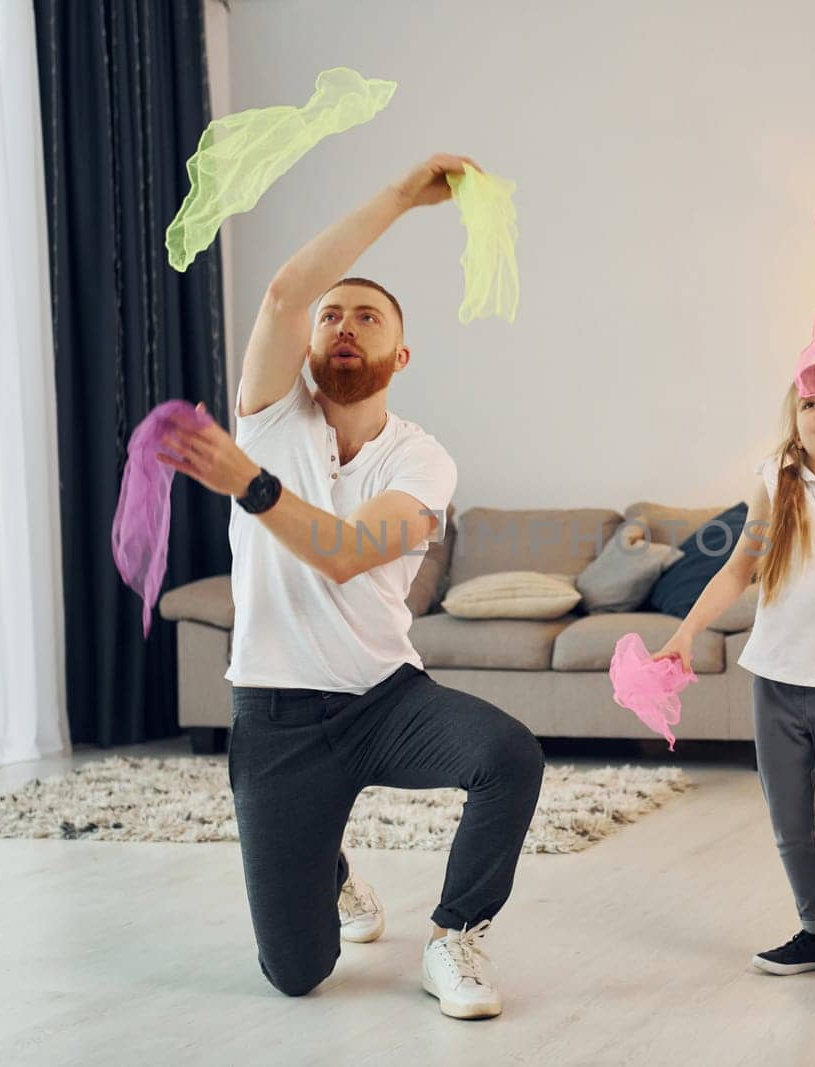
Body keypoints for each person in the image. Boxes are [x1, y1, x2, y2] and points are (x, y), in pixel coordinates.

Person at [158, 153, 544, 1020]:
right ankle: (328, 869)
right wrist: (404, 193)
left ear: (399, 353)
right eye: (331, 314)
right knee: (297, 974)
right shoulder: (267, 416)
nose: (342, 324)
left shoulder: (422, 457)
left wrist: (248, 486)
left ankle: (453, 936)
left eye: (366, 317)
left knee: (509, 753)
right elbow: (286, 291)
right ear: (306, 339)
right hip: (277, 717)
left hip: (383, 698)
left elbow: (343, 552)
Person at [652, 368, 815, 1008]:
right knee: (789, 821)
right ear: (796, 426)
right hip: (773, 681)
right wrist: (687, 632)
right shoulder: (780, 485)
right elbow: (739, 569)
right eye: (810, 404)